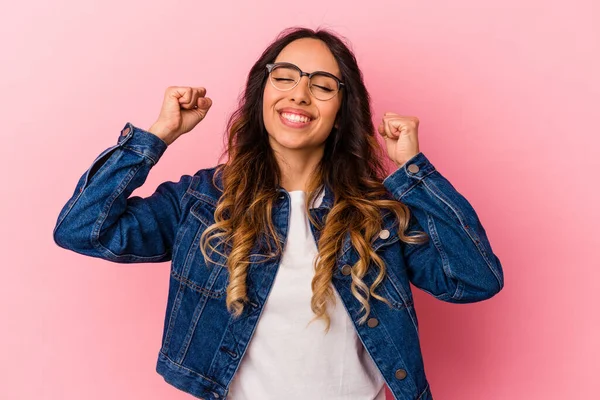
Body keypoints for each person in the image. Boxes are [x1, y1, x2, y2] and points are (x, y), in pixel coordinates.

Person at [53, 26, 504, 400]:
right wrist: (157, 136)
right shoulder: (203, 201)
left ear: (342, 110)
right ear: (262, 92)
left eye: (323, 85)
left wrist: (414, 171)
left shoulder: (377, 215)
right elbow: (82, 229)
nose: (301, 94)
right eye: (285, 77)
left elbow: (474, 279)